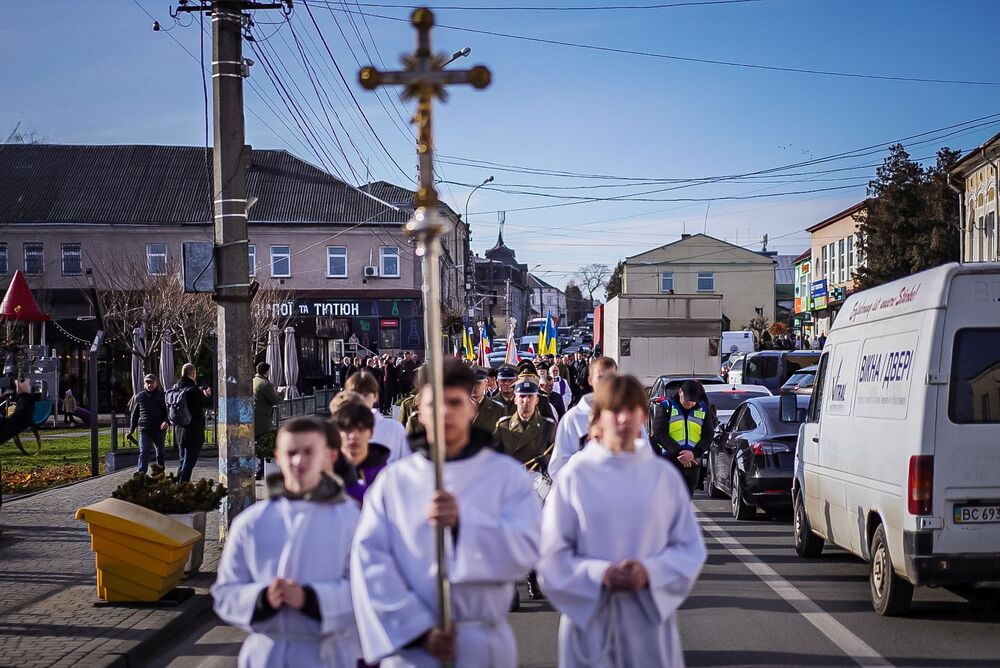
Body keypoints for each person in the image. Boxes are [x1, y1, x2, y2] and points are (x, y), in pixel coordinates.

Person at [351, 358, 542, 667]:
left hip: (479, 639)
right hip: (412, 645)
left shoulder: (505, 475)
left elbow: (529, 547)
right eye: (434, 404)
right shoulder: (394, 482)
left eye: (454, 402)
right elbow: (370, 561)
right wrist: (416, 629)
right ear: (420, 411)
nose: (444, 413)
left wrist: (465, 525)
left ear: (471, 408)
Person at [536, 374, 706, 668]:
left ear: (642, 415)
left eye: (632, 409)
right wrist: (600, 574)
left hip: (646, 620)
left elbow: (688, 549)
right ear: (598, 420)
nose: (624, 419)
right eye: (614, 410)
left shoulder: (661, 476)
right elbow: (552, 554)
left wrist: (649, 571)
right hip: (590, 619)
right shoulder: (576, 476)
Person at [212, 417, 362, 667]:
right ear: (277, 457)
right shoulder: (251, 522)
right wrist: (263, 599)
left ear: (329, 456)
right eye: (291, 452)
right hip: (265, 653)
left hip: (325, 653)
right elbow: (225, 592)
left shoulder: (350, 518)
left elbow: (367, 590)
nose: (298, 461)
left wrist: (310, 598)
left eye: (308, 452)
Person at [548, 356, 619, 481]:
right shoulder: (572, 418)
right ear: (590, 380)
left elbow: (642, 457)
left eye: (611, 378)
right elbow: (557, 467)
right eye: (601, 377)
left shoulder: (627, 417)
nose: (606, 383)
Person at [650, 379, 717, 496]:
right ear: (680, 392)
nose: (690, 403)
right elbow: (659, 433)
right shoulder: (666, 407)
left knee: (685, 500)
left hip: (692, 462)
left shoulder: (703, 409)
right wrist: (679, 454)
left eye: (693, 401)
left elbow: (708, 435)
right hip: (669, 460)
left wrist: (694, 454)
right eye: (687, 400)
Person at [330, 398, 390, 505]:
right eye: (347, 429)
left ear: (371, 433)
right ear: (337, 434)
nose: (354, 436)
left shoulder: (387, 475)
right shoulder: (326, 477)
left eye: (361, 429)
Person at [343, 370, 408, 462]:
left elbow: (407, 463)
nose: (360, 400)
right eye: (355, 395)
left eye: (365, 395)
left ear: (375, 396)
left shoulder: (394, 429)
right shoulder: (341, 428)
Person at [494, 377, 556, 467]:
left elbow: (557, 456)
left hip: (537, 478)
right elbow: (493, 457)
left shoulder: (548, 426)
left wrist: (547, 460)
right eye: (522, 396)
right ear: (515, 399)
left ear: (537, 400)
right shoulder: (503, 426)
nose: (526, 400)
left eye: (530, 396)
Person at [172, 363, 213, 483]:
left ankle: (177, 485)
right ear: (193, 374)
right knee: (189, 463)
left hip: (179, 430)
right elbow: (207, 404)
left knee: (182, 460)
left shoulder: (176, 387)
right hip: (193, 431)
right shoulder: (194, 390)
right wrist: (207, 395)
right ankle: (182, 487)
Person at [129, 373, 169, 474]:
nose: (149, 385)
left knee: (160, 452)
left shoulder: (162, 396)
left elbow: (168, 413)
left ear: (156, 383)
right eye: (147, 383)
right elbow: (135, 415)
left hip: (159, 429)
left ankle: (160, 473)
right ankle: (141, 473)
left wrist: (166, 422)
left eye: (151, 382)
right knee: (144, 451)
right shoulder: (140, 396)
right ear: (144, 384)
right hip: (145, 429)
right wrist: (131, 429)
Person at [253, 362, 281, 480]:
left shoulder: (253, 381)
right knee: (263, 444)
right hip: (263, 419)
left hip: (254, 417)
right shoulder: (265, 384)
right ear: (266, 372)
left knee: (257, 444)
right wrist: (281, 393)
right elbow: (275, 400)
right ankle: (259, 471)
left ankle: (258, 470)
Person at [471, 367, 505, 435]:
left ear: (486, 383)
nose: (475, 386)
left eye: (478, 383)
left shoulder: (499, 410)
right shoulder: (457, 409)